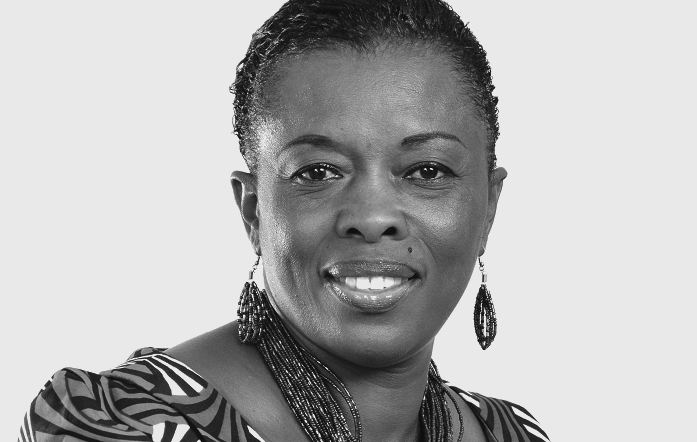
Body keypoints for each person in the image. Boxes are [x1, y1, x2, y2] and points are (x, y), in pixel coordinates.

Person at [18, 0, 550, 441]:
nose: (372, 219)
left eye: (427, 170)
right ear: (253, 210)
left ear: (489, 208)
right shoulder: (115, 426)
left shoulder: (510, 433)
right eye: (318, 171)